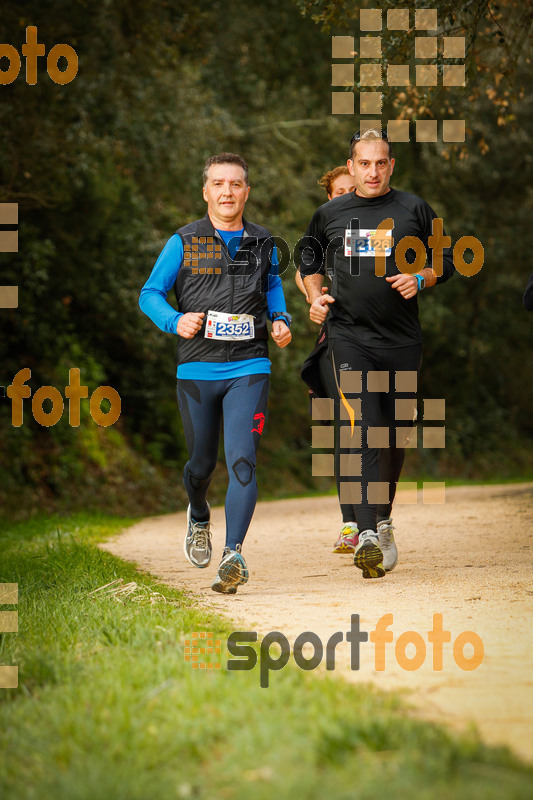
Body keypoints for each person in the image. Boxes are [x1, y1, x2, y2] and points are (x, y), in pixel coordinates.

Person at [299, 128, 455, 579]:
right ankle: (365, 533)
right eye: (363, 164)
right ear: (351, 167)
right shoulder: (329, 213)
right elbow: (307, 263)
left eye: (380, 163)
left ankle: (382, 520)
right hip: (349, 337)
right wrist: (315, 297)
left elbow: (449, 257)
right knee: (361, 426)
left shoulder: (414, 208)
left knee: (395, 435)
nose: (372, 171)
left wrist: (423, 277)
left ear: (391, 166)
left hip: (403, 340)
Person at [139, 153, 291, 594]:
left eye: (236, 184)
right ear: (206, 191)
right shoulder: (184, 241)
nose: (228, 192)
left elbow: (273, 289)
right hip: (197, 367)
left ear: (247, 191)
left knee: (242, 460)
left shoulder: (264, 243)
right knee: (202, 463)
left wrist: (280, 319)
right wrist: (173, 320)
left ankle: (233, 554)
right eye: (219, 184)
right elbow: (151, 293)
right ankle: (199, 514)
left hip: (250, 365)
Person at [296, 166, 361, 554]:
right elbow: (308, 273)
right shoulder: (324, 229)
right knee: (347, 425)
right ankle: (351, 523)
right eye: (339, 192)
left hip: (383, 339)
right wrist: (314, 297)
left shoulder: (380, 227)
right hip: (336, 339)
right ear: (329, 198)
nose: (347, 197)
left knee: (376, 426)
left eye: (352, 190)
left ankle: (376, 517)